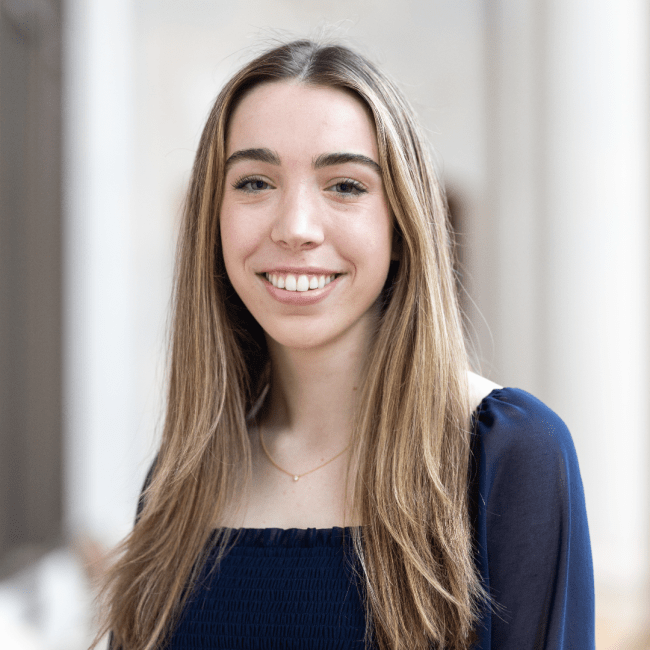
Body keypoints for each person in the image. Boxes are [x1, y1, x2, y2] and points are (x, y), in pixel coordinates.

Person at [94, 40, 594, 650]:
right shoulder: (186, 474)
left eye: (346, 186)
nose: (296, 227)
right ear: (213, 220)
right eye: (254, 182)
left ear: (401, 225)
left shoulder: (508, 451)